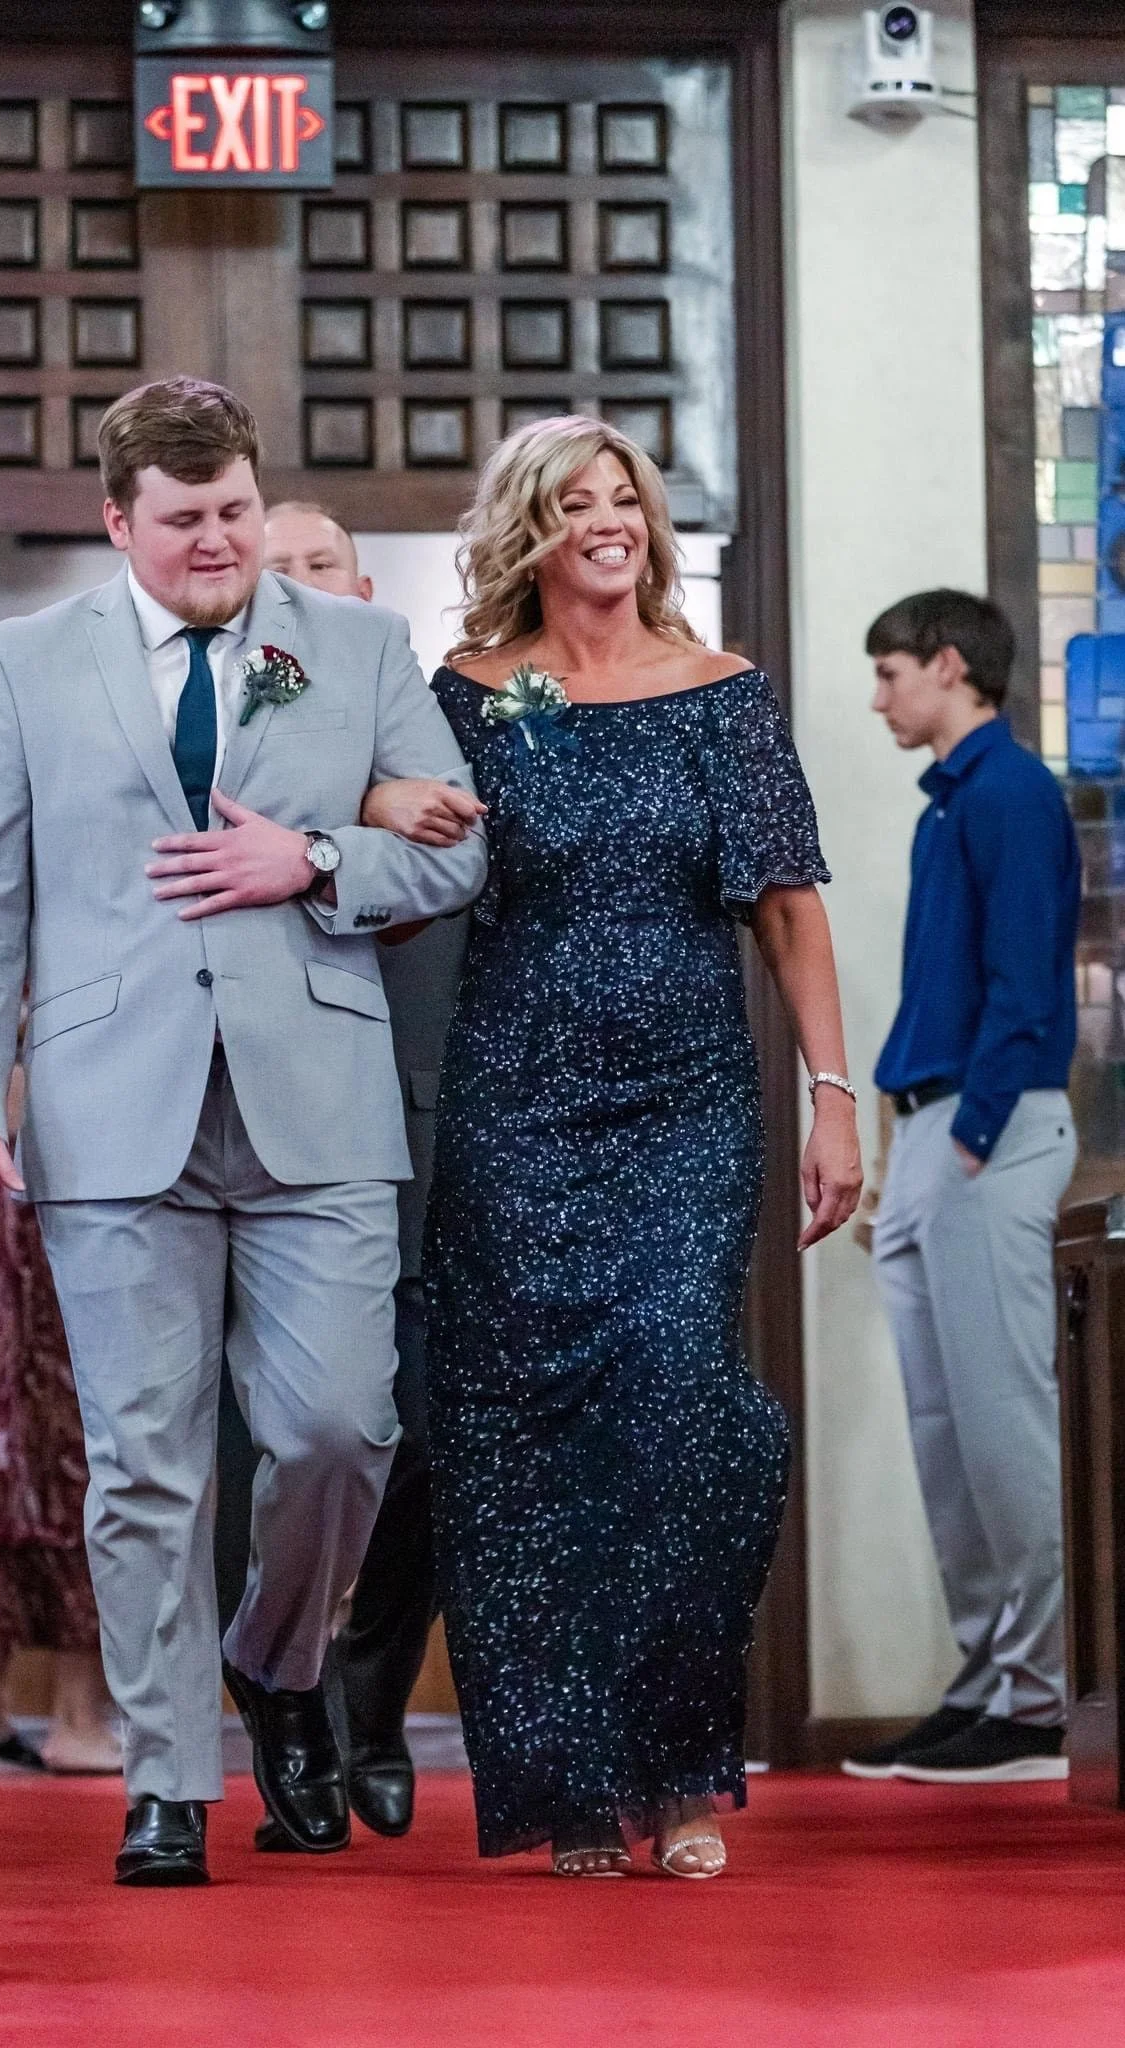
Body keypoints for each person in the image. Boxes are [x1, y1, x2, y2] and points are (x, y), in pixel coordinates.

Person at [0, 376, 487, 1888]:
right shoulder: (23, 663)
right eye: (186, 520)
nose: (219, 539)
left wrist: (313, 858)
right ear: (121, 523)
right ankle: (164, 1781)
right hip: (112, 1112)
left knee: (342, 1430)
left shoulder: (354, 648)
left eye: (235, 508)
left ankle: (277, 1658)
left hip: (321, 1103)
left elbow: (456, 850)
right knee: (147, 1465)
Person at [365, 416, 862, 1878]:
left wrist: (834, 1093)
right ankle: (573, 1786)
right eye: (577, 501)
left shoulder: (721, 693)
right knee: (524, 1440)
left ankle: (682, 1768)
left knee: (682, 1409)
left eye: (626, 500)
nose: (609, 521)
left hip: (685, 1105)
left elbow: (788, 904)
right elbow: (396, 850)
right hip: (514, 1104)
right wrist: (377, 800)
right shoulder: (474, 693)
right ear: (531, 530)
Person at [215, 499, 471, 1847]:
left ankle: (367, 1691)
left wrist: (378, 794)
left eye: (321, 567)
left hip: (425, 1124)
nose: (299, 589)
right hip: (256, 1127)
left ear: (364, 590)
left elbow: (486, 819)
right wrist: (360, 806)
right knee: (262, 1437)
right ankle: (286, 1698)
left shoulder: (441, 706)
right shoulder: (219, 715)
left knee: (413, 1425)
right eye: (277, 573)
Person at [843, 590, 1079, 1786]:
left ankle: (1042, 1698)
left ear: (947, 665)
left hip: (990, 1125)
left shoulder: (1010, 793)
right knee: (948, 1431)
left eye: (889, 673)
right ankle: (992, 1676)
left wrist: (974, 1137)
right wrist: (909, 1150)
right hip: (939, 1130)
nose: (877, 697)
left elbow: (1027, 983)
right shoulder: (951, 803)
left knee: (1003, 1423)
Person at [0, 1086, 121, 1777]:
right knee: (70, 1440)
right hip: (58, 1171)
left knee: (34, 1441)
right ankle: (77, 1710)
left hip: (32, 1167)